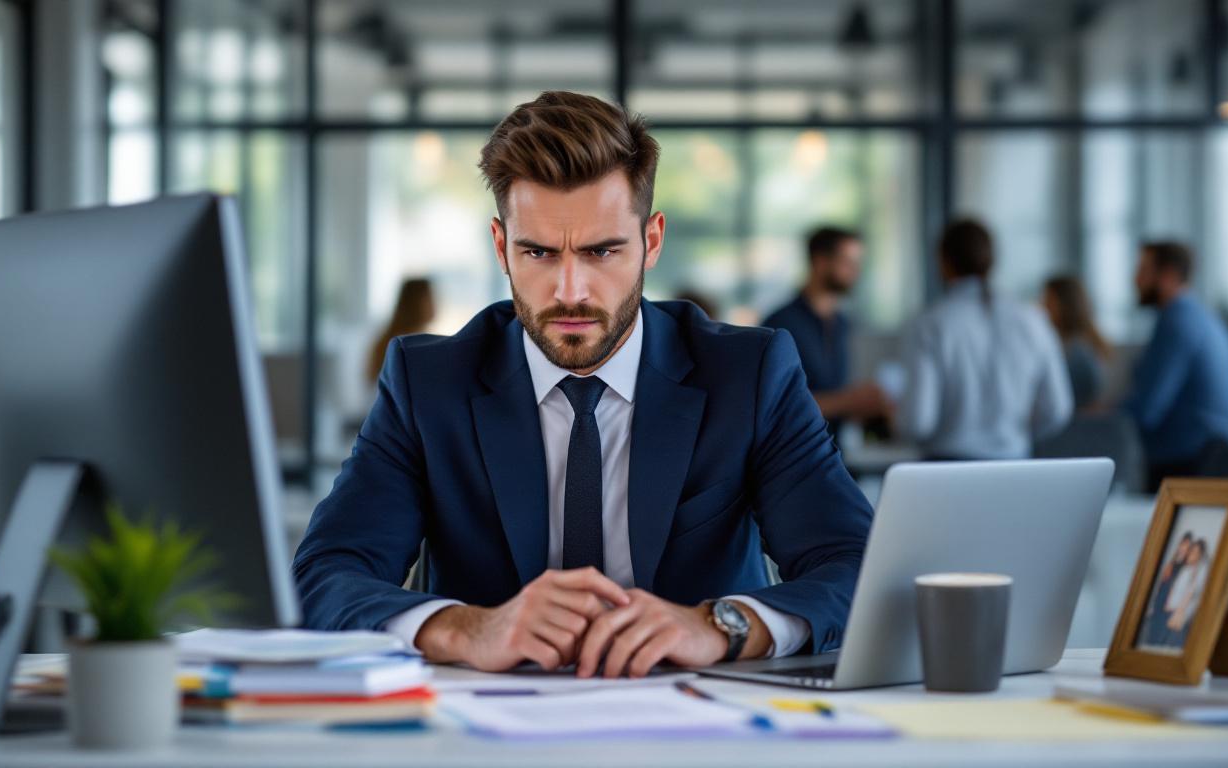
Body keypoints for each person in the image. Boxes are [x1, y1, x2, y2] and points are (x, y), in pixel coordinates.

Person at [292, 91, 873, 679]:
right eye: (538, 253)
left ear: (651, 242)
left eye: (602, 251)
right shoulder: (429, 384)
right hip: (486, 715)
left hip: (705, 713)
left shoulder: (748, 375)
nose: (570, 292)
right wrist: (467, 629)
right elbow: (325, 575)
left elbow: (858, 565)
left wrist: (719, 625)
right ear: (501, 247)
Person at [895, 219, 1073, 460]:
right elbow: (1057, 409)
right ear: (992, 260)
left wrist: (893, 417)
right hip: (1014, 463)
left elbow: (918, 422)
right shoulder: (1033, 320)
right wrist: (1016, 435)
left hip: (946, 468)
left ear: (943, 261)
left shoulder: (930, 325)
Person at [1124, 242, 1228, 492]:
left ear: (1168, 275)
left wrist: (1102, 415)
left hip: (1185, 465)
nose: (1135, 279)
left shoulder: (1175, 322)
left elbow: (1148, 408)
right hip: (1215, 458)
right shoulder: (1204, 318)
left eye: (1144, 270)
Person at [761, 227, 890, 435]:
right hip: (795, 448)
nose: (856, 271)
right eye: (847, 262)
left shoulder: (842, 323)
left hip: (834, 445)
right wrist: (849, 400)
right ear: (820, 262)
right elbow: (773, 403)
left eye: (858, 263)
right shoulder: (780, 323)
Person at [1042, 275, 1111, 411]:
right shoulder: (1077, 343)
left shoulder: (1077, 351)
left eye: (1048, 301)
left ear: (1065, 305)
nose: (1042, 307)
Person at [366, 278, 437, 384]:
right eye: (428, 298)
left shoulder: (392, 337)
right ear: (414, 302)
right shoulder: (406, 343)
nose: (434, 304)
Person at [1141, 533, 1191, 647]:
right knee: (1152, 629)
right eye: (1183, 544)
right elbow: (1162, 581)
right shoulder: (1171, 561)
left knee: (1162, 633)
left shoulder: (1185, 566)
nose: (1184, 548)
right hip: (1160, 599)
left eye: (1187, 546)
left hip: (1170, 603)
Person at [1163, 538, 1209, 648]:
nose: (1190, 554)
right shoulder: (1187, 569)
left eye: (1195, 552)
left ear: (1200, 556)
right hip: (1172, 610)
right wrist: (1169, 603)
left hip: (1181, 614)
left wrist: (1179, 612)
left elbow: (1190, 593)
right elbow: (1176, 588)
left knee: (1172, 644)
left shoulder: (1198, 572)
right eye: (1191, 551)